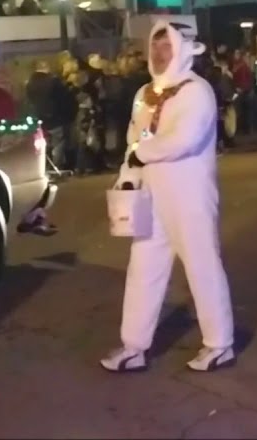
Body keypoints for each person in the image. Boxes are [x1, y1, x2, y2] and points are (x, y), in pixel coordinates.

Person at [102, 21, 235, 374]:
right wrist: (128, 177)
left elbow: (183, 140)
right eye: (155, 46)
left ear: (183, 50)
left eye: (167, 47)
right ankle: (134, 344)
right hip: (151, 195)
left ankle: (219, 342)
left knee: (202, 265)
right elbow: (135, 139)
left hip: (189, 195)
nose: (159, 54)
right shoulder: (144, 93)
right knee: (143, 267)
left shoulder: (196, 91)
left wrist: (140, 156)